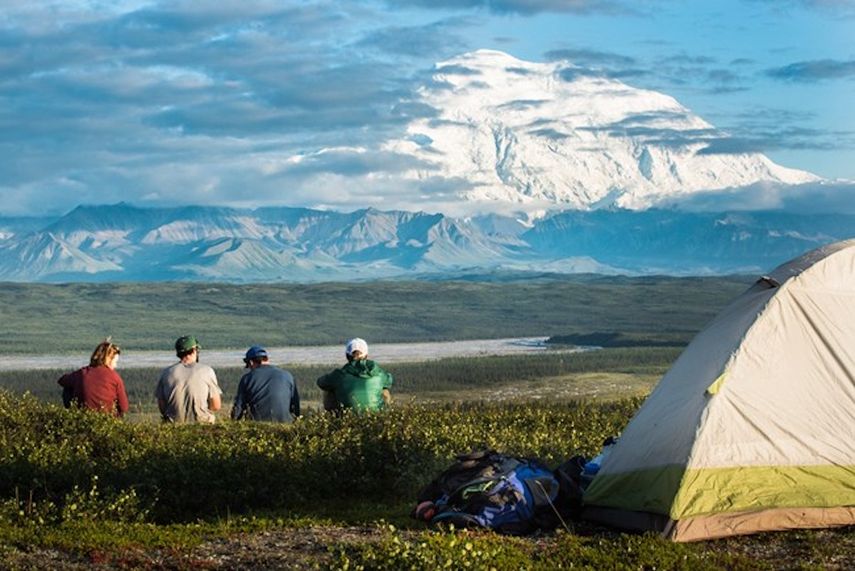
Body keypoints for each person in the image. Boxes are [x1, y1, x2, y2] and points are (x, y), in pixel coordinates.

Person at [155, 335, 222, 423]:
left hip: (173, 424)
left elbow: (162, 407)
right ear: (194, 350)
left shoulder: (166, 373)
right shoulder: (207, 371)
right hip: (203, 423)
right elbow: (216, 406)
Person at [317, 337, 393, 413]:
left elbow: (320, 382)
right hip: (375, 415)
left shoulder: (339, 375)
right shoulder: (378, 373)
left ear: (347, 356)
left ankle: (334, 415)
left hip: (346, 415)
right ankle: (385, 414)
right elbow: (389, 381)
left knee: (329, 389)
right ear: (366, 355)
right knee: (384, 389)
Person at [57, 339, 129, 417]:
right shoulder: (115, 377)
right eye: (115, 362)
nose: (115, 365)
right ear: (108, 360)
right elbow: (124, 408)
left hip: (82, 417)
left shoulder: (82, 373)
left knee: (67, 388)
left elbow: (62, 380)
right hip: (108, 419)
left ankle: (72, 415)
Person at [231, 345, 300, 422]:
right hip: (286, 424)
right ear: (267, 359)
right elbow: (296, 406)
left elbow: (238, 408)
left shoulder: (247, 378)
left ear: (251, 362)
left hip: (257, 425)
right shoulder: (287, 375)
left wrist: (233, 423)